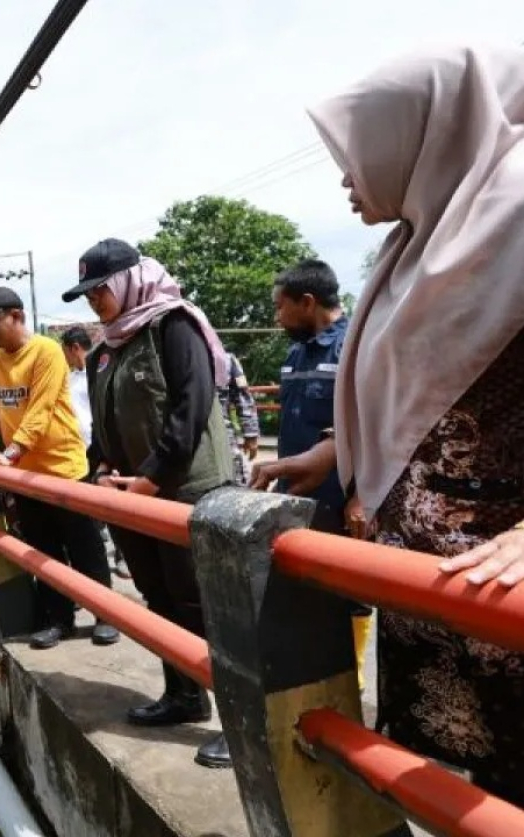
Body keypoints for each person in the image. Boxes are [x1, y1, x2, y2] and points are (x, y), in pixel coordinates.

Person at [258, 43, 524, 806]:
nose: (347, 176)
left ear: (423, 132)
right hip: (425, 587)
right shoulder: (414, 244)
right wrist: (339, 453)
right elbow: (420, 393)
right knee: (442, 789)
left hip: (503, 593)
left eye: (358, 150)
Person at [62, 237, 234, 769]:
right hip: (134, 499)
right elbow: (106, 428)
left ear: (129, 280)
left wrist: (148, 481)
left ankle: (238, 719)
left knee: (204, 605)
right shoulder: (104, 350)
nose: (94, 302)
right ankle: (183, 694)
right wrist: (102, 472)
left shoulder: (173, 325)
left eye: (100, 290)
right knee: (158, 598)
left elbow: (189, 412)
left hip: (186, 493)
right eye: (87, 295)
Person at [0, 286, 120, 650]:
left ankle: (105, 614)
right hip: (24, 475)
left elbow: (40, 409)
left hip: (63, 468)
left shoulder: (46, 351)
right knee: (43, 549)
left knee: (84, 547)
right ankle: (59, 619)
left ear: (17, 316)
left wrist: (9, 453)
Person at [257, 258, 372, 691]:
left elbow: (369, 423)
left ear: (307, 302)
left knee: (351, 589)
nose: (276, 316)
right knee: (308, 588)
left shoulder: (356, 347)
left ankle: (354, 676)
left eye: (280, 306)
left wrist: (361, 494)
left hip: (343, 495)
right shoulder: (296, 352)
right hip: (299, 491)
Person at [61, 325, 130, 580]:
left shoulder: (100, 371)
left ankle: (123, 555)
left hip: (103, 448)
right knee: (93, 509)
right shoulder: (71, 378)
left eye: (65, 352)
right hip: (82, 452)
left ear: (73, 348)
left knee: (116, 507)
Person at [218, 353, 260, 485]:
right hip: (186, 435)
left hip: (224, 434)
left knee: (236, 479)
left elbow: (243, 397)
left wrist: (251, 434)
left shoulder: (226, 359)